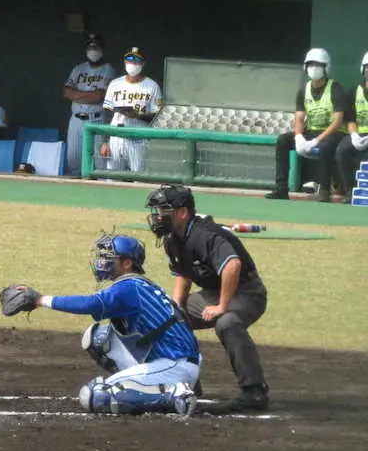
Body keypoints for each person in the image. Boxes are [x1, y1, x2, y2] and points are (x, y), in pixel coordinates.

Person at [0, 233, 199, 417]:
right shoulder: (139, 285)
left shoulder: (129, 288)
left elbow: (91, 304)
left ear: (127, 263)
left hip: (174, 363)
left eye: (110, 257)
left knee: (95, 395)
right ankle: (151, 386)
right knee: (98, 339)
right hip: (176, 359)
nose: (103, 261)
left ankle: (174, 393)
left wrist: (41, 300)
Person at [146, 183, 270, 414]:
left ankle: (254, 391)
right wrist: (176, 307)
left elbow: (232, 265)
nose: (158, 217)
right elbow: (183, 272)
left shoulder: (204, 234)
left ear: (183, 212)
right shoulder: (173, 239)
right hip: (215, 293)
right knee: (166, 318)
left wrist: (221, 306)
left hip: (247, 292)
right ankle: (185, 382)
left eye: (164, 211)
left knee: (227, 323)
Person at [265, 48, 349, 202]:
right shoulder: (304, 90)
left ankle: (324, 189)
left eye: (318, 65)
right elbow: (299, 117)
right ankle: (281, 188)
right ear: (305, 67)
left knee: (326, 146)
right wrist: (298, 137)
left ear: (326, 67)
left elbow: (338, 121)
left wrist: (317, 140)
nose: (314, 68)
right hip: (311, 131)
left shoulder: (335, 88)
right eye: (310, 64)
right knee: (283, 140)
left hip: (334, 133)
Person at [100, 47, 163, 172]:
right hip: (116, 137)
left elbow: (158, 116)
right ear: (125, 62)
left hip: (139, 138)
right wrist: (105, 141)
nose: (132, 63)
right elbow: (107, 114)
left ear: (143, 63)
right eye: (129, 59)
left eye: (137, 60)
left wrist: (138, 115)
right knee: (112, 178)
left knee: (138, 178)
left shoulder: (152, 86)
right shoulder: (115, 84)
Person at [62, 33, 116, 175]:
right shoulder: (78, 69)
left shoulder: (108, 69)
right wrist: (89, 95)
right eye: (90, 47)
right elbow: (67, 92)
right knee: (73, 161)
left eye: (96, 47)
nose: (93, 50)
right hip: (76, 121)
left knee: (99, 163)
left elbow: (100, 96)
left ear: (102, 49)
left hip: (97, 119)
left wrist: (77, 95)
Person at [333, 51, 368, 202]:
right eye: (367, 67)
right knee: (342, 151)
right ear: (363, 69)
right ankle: (350, 191)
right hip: (359, 135)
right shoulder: (354, 91)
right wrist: (354, 135)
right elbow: (350, 119)